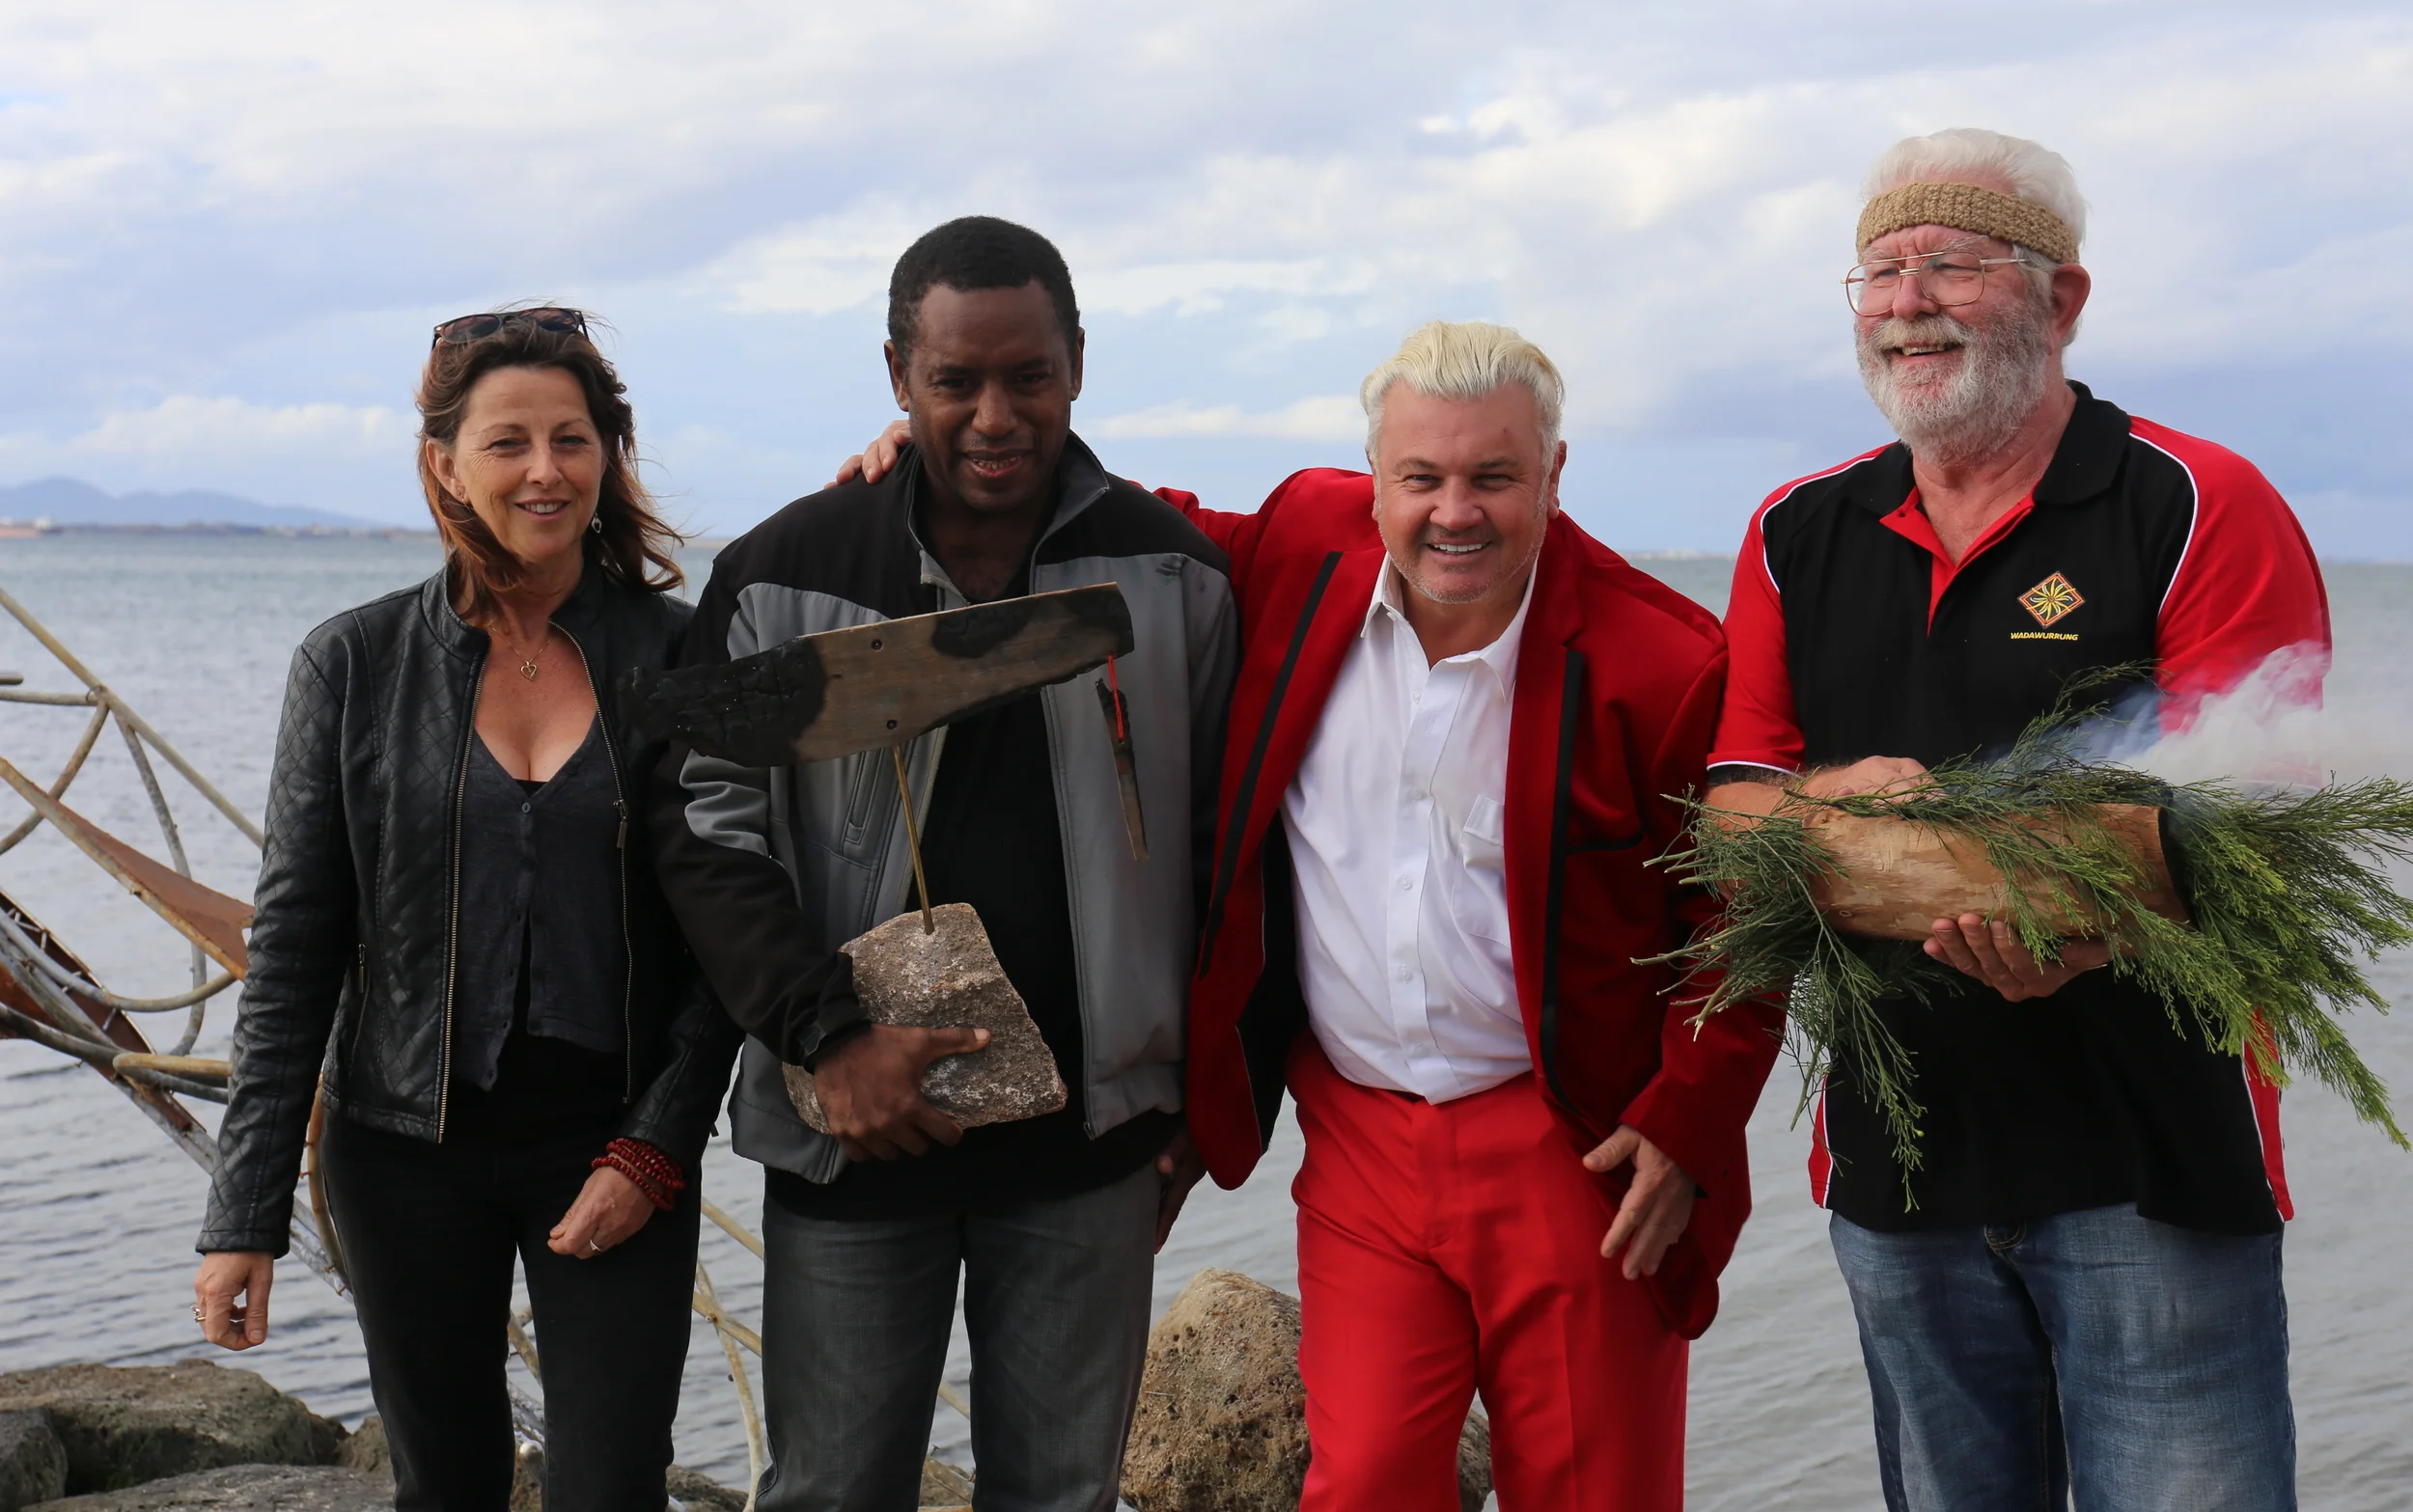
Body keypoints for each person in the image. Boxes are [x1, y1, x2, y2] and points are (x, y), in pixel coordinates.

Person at [849, 319, 1782, 1510]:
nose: (1456, 512)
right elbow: (1142, 525)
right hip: (1357, 1135)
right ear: (1372, 476)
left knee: (1592, 1489)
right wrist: (959, 462)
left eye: (1493, 477)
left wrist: (1687, 1119)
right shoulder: (1304, 540)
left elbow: (1747, 918)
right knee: (1364, 1481)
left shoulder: (1663, 658)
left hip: (1568, 1142)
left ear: (1551, 472)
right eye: (1420, 478)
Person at [1706, 129, 2327, 1512]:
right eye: (1880, 268)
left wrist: (2086, 936)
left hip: (2154, 1166)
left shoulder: (2191, 502)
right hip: (1897, 1169)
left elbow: (2261, 836)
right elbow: (1736, 803)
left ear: (2062, 298)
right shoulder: (1792, 530)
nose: (1908, 298)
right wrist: (1829, 800)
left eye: (1954, 263)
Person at [652, 216, 1238, 1512]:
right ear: (895, 375)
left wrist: (1203, 1095)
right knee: (830, 1489)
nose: (993, 414)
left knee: (1062, 1496)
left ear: (1078, 363)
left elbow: (1224, 860)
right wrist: (828, 1039)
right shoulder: (784, 571)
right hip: (857, 1136)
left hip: (1089, 1144)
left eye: (1027, 375)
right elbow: (703, 826)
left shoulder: (1172, 575)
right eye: (953, 380)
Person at [194, 308, 743, 1512]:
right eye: (508, 441)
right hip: (398, 1152)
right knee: (444, 1484)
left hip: (613, 1145)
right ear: (445, 462)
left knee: (611, 1484)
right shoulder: (352, 662)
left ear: (608, 454)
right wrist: (245, 1214)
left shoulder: (682, 654)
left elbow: (732, 939)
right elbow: (294, 948)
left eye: (572, 437)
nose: (545, 469)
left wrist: (656, 1146)